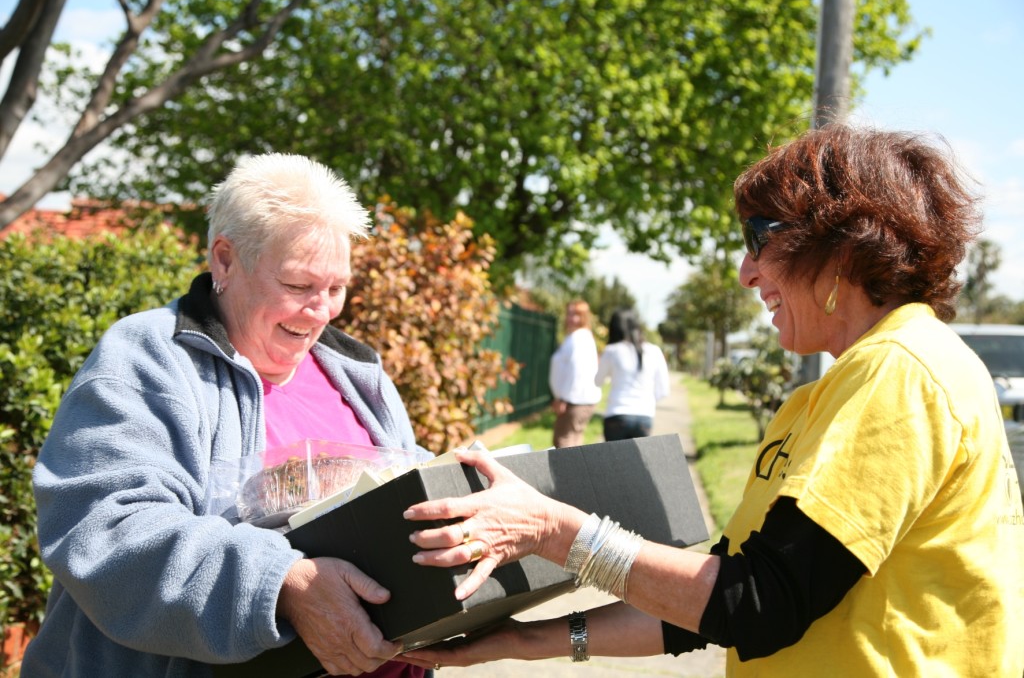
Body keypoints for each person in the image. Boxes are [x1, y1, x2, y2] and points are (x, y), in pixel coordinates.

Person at [400, 124, 1024, 676]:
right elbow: (712, 604)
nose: (745, 273)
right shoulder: (829, 394)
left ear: (842, 246)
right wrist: (523, 640)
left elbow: (760, 603)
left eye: (760, 238)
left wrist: (551, 529)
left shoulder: (901, 370)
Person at [24, 154, 427, 677]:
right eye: (299, 285)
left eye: (336, 288)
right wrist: (280, 585)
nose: (323, 311)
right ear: (224, 260)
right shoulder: (146, 360)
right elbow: (107, 530)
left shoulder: (357, 372)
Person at [595, 307, 670, 441]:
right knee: (637, 462)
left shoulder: (612, 351)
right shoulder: (654, 351)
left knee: (614, 462)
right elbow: (663, 390)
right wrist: (647, 401)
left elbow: (597, 381)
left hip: (616, 415)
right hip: (644, 416)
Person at [548, 299, 602, 448]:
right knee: (574, 444)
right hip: (578, 400)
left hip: (575, 401)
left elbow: (576, 372)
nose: (571, 318)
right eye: (569, 313)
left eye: (576, 314)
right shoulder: (578, 337)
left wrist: (563, 399)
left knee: (563, 444)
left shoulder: (579, 338)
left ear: (584, 317)